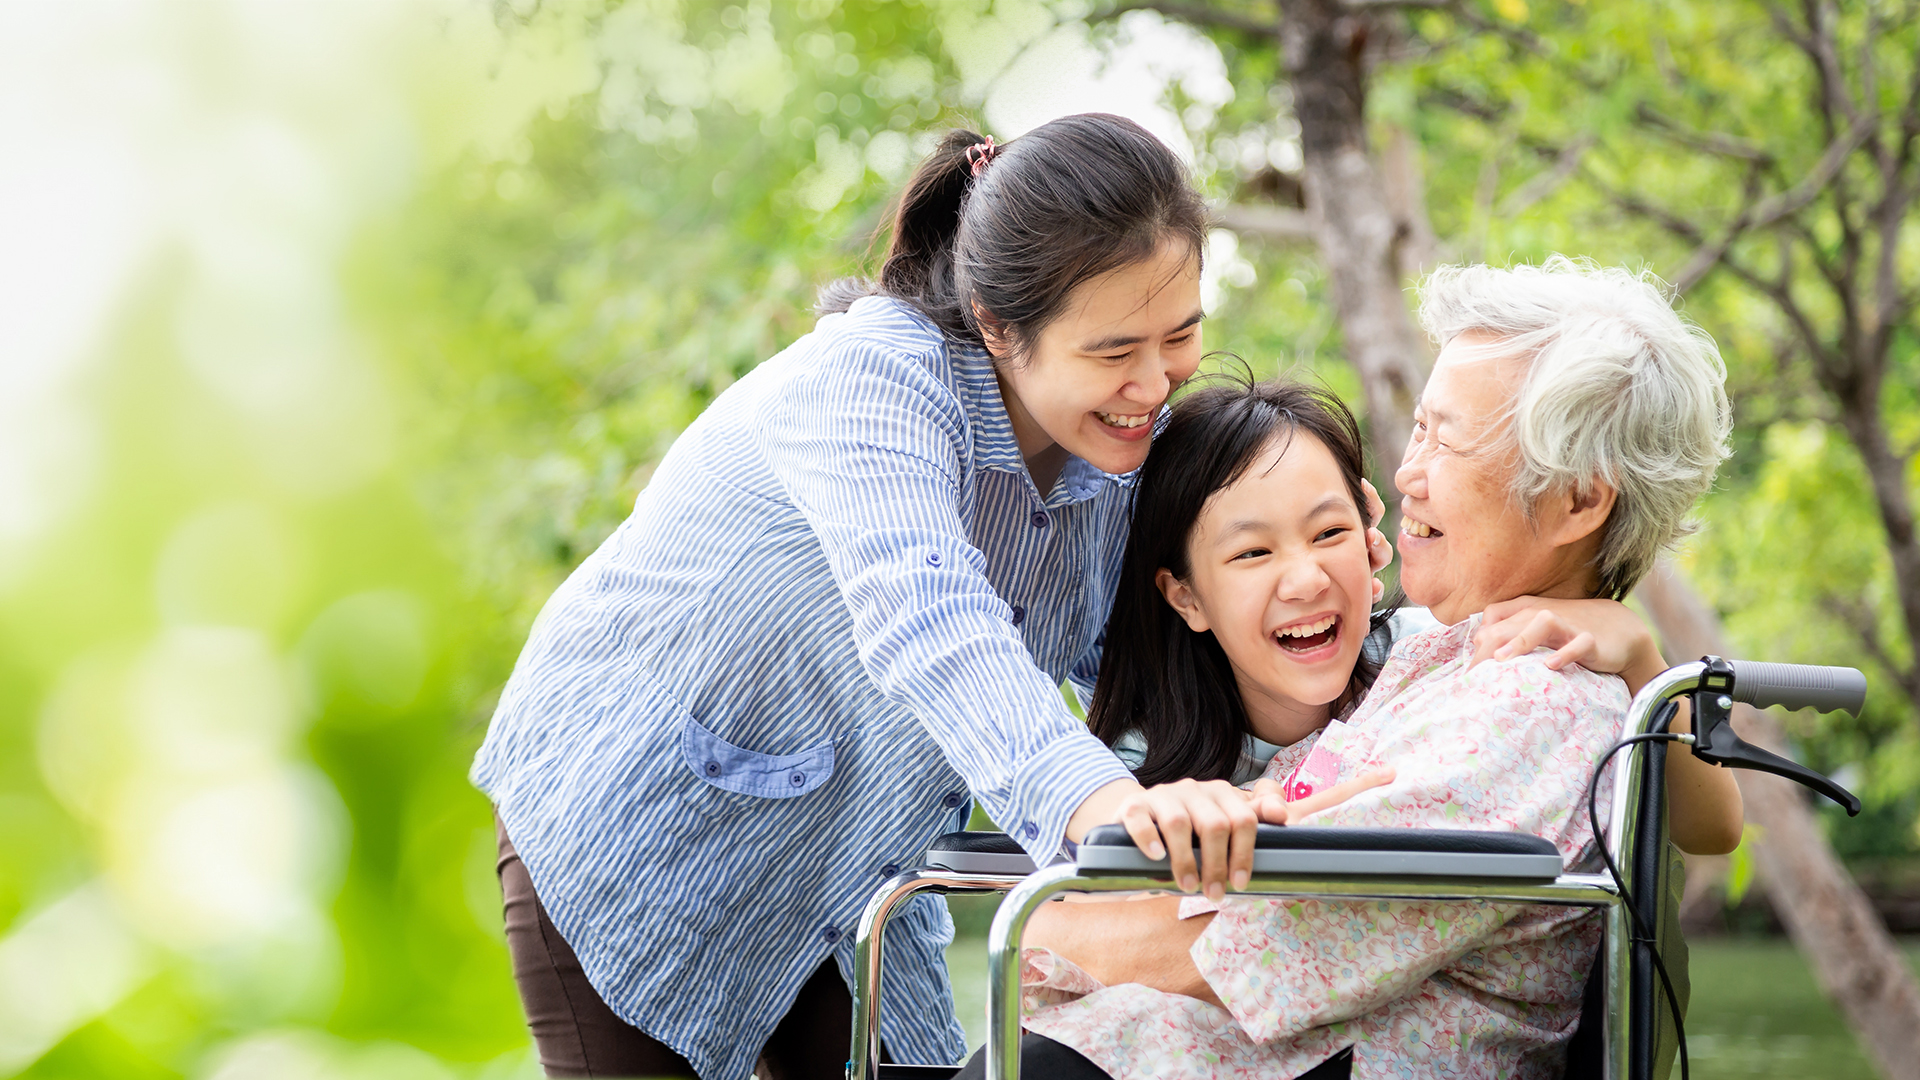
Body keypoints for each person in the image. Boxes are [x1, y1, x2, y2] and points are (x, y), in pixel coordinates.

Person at [472, 113, 1388, 1080]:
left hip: (851, 874)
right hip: (646, 838)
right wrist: (1111, 810)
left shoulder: (1120, 456)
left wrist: (1345, 575)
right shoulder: (868, 379)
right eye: (1113, 351)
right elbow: (930, 621)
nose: (1153, 384)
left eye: (1182, 334)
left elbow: (1183, 634)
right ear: (997, 324)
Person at [963, 258, 1738, 1079]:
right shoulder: (1441, 655)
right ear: (1184, 595)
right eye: (1420, 429)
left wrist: (1048, 927)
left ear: (1579, 502)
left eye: (1449, 438)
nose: (1406, 475)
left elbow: (1248, 947)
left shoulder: (1529, 707)